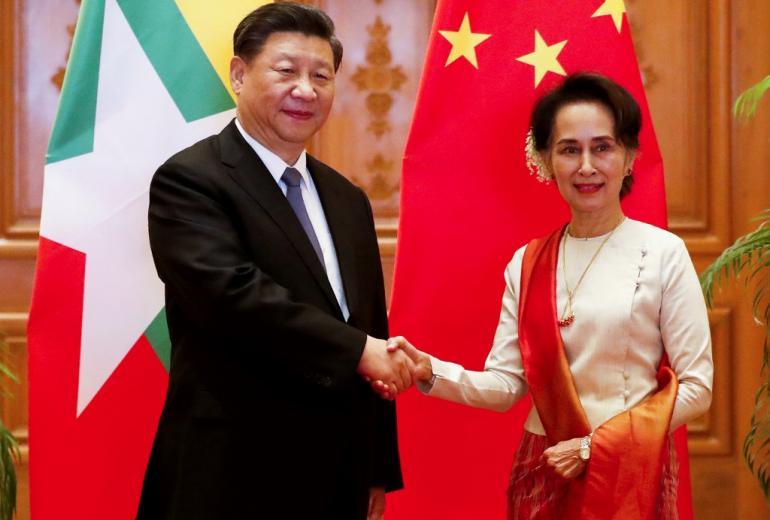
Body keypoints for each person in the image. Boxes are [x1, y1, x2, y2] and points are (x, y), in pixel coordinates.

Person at [383, 73, 713, 518]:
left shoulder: (662, 253)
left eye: (603, 147)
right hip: (546, 466)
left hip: (630, 468)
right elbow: (506, 386)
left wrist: (595, 446)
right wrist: (430, 370)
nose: (587, 166)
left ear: (630, 156)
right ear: (544, 159)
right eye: (569, 149)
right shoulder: (528, 262)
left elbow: (696, 388)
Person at [137, 3, 413, 519]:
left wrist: (377, 467)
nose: (305, 90)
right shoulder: (191, 180)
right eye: (286, 71)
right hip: (231, 471)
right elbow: (233, 298)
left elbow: (370, 323)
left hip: (336, 473)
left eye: (321, 76)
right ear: (239, 75)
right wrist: (358, 350)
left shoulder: (347, 198)